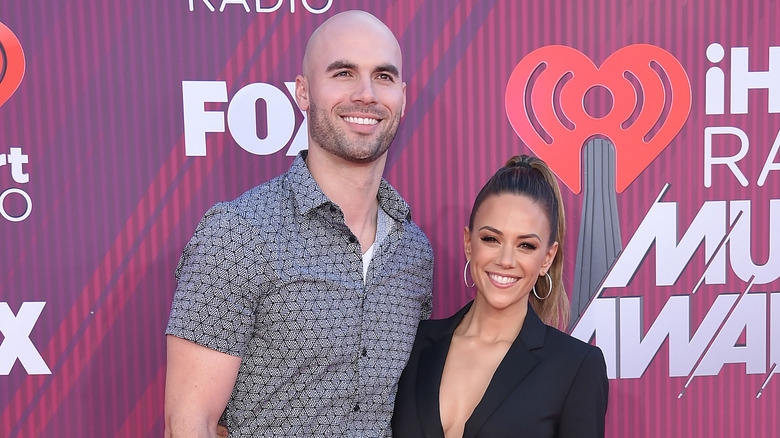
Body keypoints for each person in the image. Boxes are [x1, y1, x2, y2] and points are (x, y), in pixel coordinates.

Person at [164, 10, 434, 437]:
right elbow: (190, 423)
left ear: (402, 95)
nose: (366, 94)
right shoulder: (239, 234)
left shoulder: (414, 252)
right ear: (303, 92)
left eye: (382, 77)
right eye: (343, 73)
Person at [392, 155, 608, 437]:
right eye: (491, 239)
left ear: (547, 258)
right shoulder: (414, 344)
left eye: (526, 245)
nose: (506, 260)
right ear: (469, 243)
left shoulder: (576, 367)